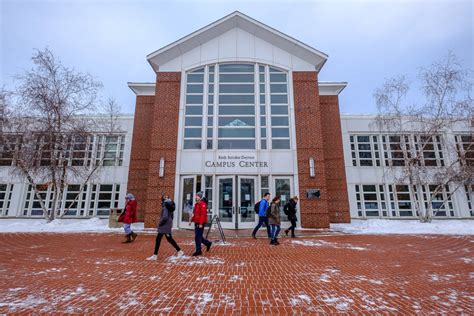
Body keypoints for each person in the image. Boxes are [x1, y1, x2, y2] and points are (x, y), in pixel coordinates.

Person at [147, 195, 184, 260]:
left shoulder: (165, 206)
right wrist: (170, 221)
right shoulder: (170, 205)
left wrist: (160, 223)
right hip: (167, 224)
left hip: (164, 225)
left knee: (168, 239)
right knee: (160, 239)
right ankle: (155, 255)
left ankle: (179, 251)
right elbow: (171, 216)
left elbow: (164, 217)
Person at [189, 192, 212, 256]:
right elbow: (195, 214)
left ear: (200, 197)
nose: (196, 197)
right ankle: (208, 243)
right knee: (199, 236)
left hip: (200, 223)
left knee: (197, 237)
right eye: (196, 196)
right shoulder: (196, 204)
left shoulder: (203, 204)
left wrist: (201, 223)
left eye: (197, 196)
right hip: (196, 222)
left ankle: (198, 250)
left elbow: (203, 215)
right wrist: (191, 220)